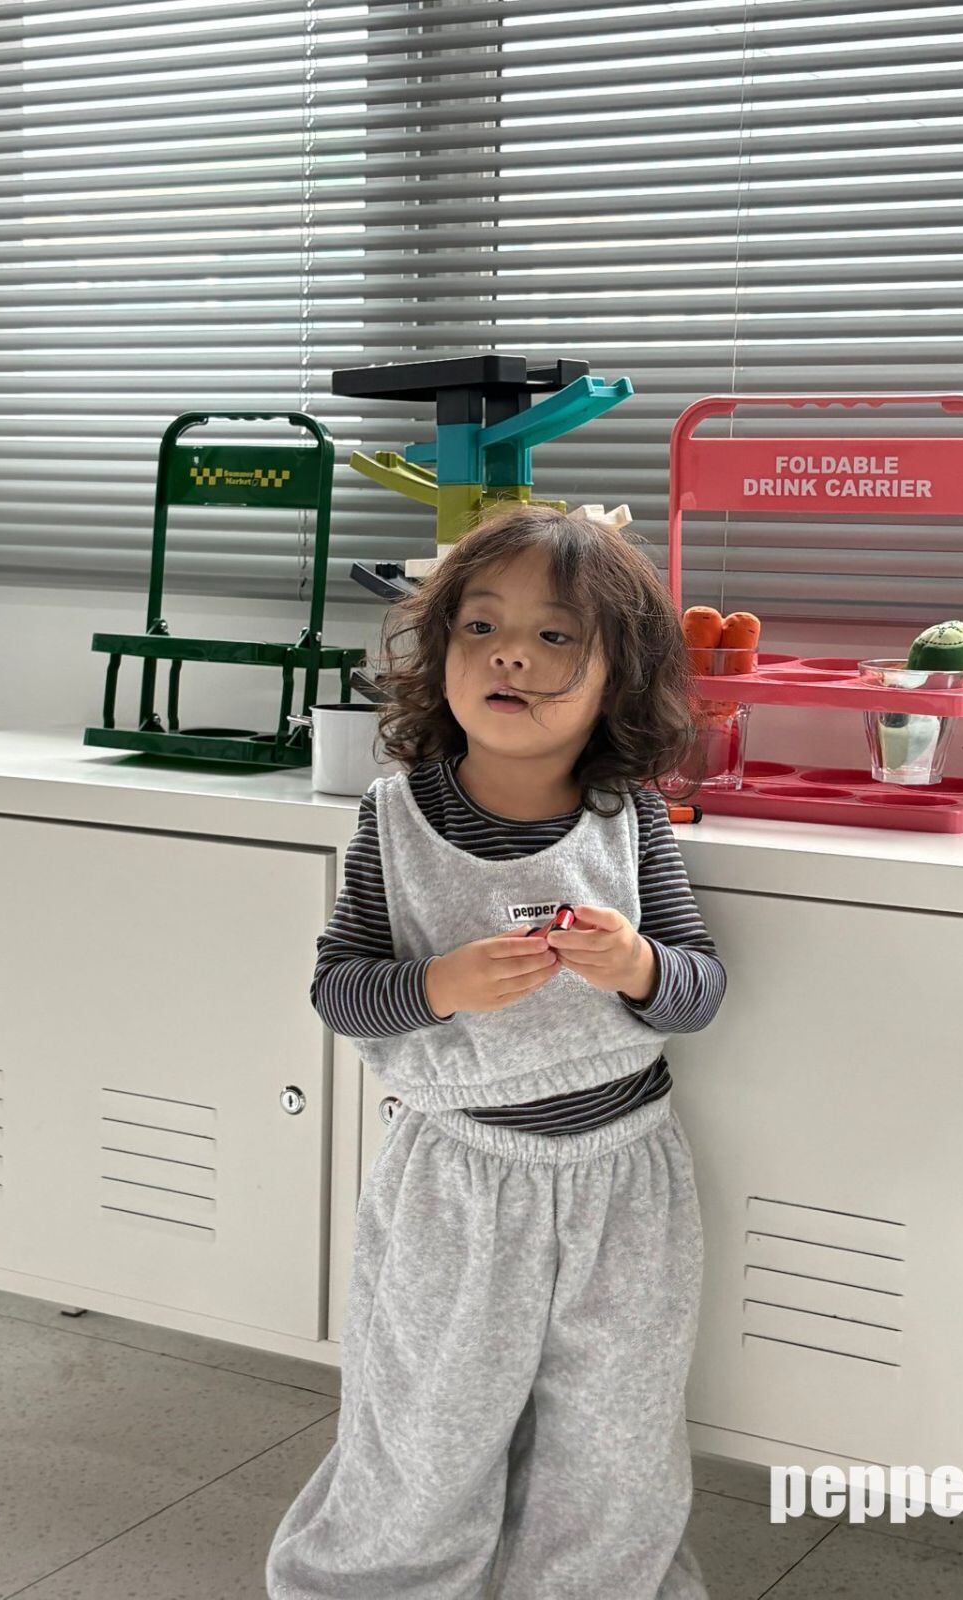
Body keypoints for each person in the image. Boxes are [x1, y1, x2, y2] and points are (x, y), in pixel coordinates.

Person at [265, 503, 727, 1599]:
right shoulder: (394, 819)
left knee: (614, 1435)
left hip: (625, 1181)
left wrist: (639, 967)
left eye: (555, 635)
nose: (510, 653)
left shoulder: (631, 819)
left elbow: (698, 989)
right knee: (428, 1420)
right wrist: (438, 986)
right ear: (442, 654)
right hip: (457, 1181)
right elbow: (339, 991)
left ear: (617, 679)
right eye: (480, 627)